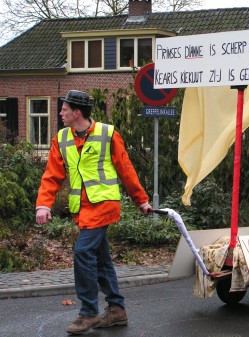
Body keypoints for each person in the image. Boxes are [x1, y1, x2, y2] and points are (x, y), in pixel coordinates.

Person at [36, 90, 154, 335]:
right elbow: (52, 175)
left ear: (76, 112)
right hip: (82, 209)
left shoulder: (107, 134)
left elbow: (126, 168)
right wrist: (43, 204)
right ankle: (117, 309)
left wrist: (141, 200)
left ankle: (89, 312)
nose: (61, 113)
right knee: (100, 258)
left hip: (103, 205)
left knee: (82, 253)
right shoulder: (62, 138)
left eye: (64, 109)